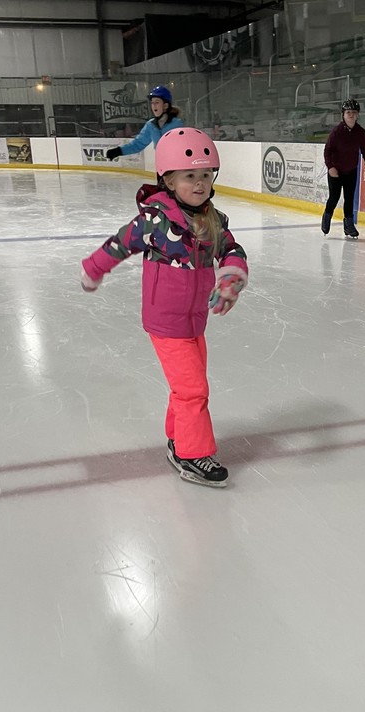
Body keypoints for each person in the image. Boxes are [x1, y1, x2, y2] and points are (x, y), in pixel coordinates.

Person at [81, 128, 248, 488]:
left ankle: (177, 440)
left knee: (185, 388)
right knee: (193, 390)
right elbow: (120, 243)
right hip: (164, 319)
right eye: (190, 176)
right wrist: (93, 270)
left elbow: (232, 250)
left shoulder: (212, 220)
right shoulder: (156, 221)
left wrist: (231, 278)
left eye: (206, 175)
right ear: (169, 180)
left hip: (195, 319)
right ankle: (192, 453)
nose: (200, 183)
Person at [321, 99, 365, 239]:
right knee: (334, 197)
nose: (351, 115)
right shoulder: (336, 132)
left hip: (351, 171)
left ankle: (349, 225)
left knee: (349, 199)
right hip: (336, 172)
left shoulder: (360, 132)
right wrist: (331, 167)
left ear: (357, 115)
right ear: (343, 114)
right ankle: (327, 217)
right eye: (348, 112)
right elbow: (327, 151)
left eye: (354, 112)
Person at [105, 85, 184, 162]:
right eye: (152, 103)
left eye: (157, 102)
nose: (153, 106)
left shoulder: (176, 124)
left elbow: (184, 145)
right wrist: (118, 151)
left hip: (178, 165)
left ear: (165, 105)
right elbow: (138, 143)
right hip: (162, 166)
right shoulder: (151, 125)